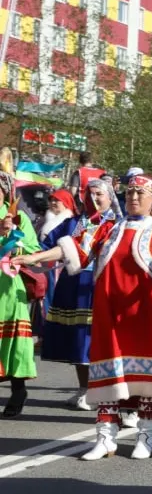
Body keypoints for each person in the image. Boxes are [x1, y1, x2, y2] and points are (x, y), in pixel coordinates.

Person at [14, 176, 152, 459]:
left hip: (146, 317)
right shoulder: (109, 229)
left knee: (148, 378)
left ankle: (146, 434)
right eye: (129, 193)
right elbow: (74, 248)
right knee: (108, 378)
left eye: (140, 193)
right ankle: (105, 438)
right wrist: (33, 258)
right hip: (109, 316)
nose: (133, 197)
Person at [41, 179, 118, 409]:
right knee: (76, 338)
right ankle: (84, 388)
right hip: (72, 283)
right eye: (89, 194)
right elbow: (47, 245)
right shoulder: (74, 222)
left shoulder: (115, 224)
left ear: (109, 197)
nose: (93, 198)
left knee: (92, 338)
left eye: (99, 194)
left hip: (98, 284)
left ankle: (99, 390)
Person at [0, 165, 40, 418]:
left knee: (12, 343)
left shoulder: (17, 217)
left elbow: (35, 251)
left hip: (8, 290)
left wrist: (15, 244)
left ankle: (18, 390)